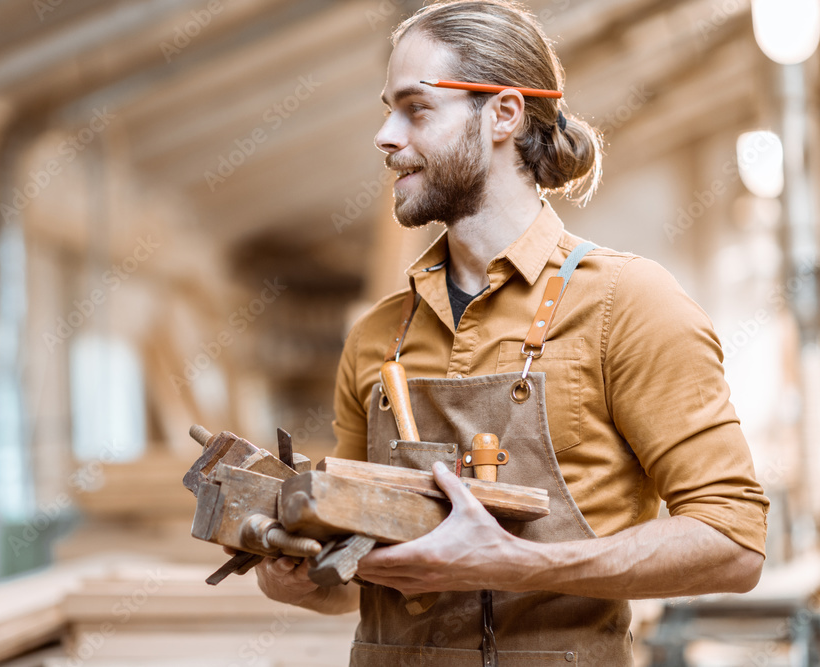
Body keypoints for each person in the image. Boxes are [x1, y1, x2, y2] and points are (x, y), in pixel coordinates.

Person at [251, 1, 769, 664]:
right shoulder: (379, 335)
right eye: (387, 108)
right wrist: (301, 574)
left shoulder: (630, 305)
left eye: (415, 108)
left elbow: (734, 543)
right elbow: (361, 577)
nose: (384, 135)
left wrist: (519, 562)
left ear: (502, 114)